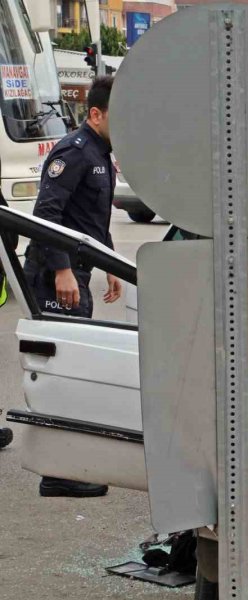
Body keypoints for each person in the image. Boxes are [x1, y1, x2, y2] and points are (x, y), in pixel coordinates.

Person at [23, 76, 120, 498]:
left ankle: (64, 465)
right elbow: (47, 214)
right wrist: (62, 270)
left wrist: (111, 264)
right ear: (95, 114)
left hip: (78, 272)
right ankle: (58, 472)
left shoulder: (100, 153)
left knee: (73, 366)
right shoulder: (75, 152)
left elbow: (90, 221)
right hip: (54, 274)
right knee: (62, 370)